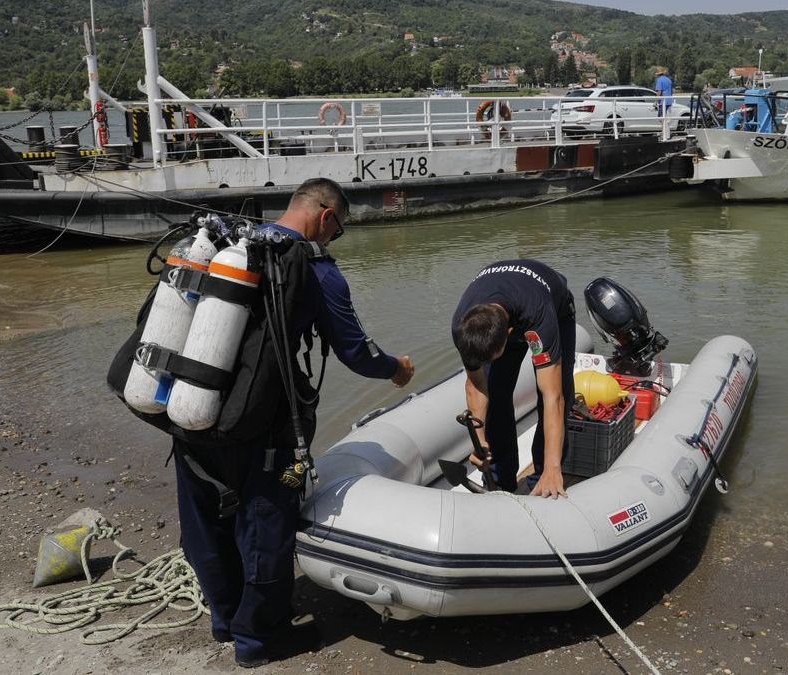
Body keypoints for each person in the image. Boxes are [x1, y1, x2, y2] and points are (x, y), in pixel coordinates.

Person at [175, 178, 415, 668]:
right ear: (325, 216)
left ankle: (224, 619)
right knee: (265, 526)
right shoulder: (312, 268)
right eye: (338, 229)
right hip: (260, 426)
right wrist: (396, 369)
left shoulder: (231, 247)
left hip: (189, 408)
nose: (333, 238)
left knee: (207, 521)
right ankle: (259, 641)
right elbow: (354, 350)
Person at [451, 259, 575, 499]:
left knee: (558, 392)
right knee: (496, 392)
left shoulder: (537, 315)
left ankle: (544, 477)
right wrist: (480, 439)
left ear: (509, 336)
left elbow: (553, 396)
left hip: (554, 308)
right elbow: (476, 385)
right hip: (503, 309)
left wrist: (552, 467)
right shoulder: (462, 327)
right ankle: (501, 481)